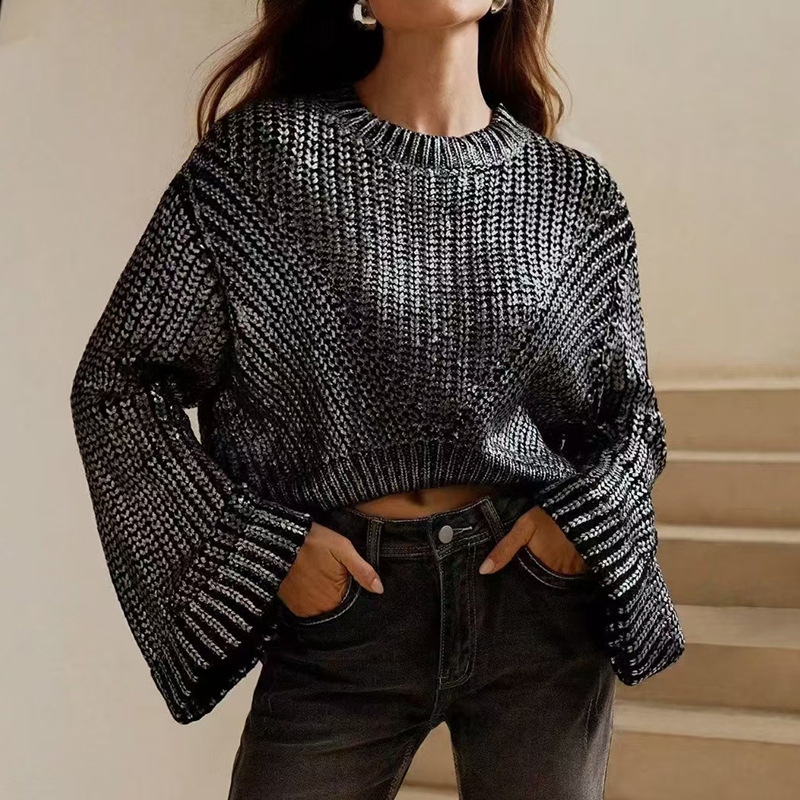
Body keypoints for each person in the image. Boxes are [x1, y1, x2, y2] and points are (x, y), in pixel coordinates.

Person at [69, 1, 685, 797]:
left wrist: (576, 526)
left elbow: (631, 412)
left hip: (536, 606)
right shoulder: (258, 164)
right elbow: (118, 382)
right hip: (347, 613)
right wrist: (265, 551)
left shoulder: (576, 192)